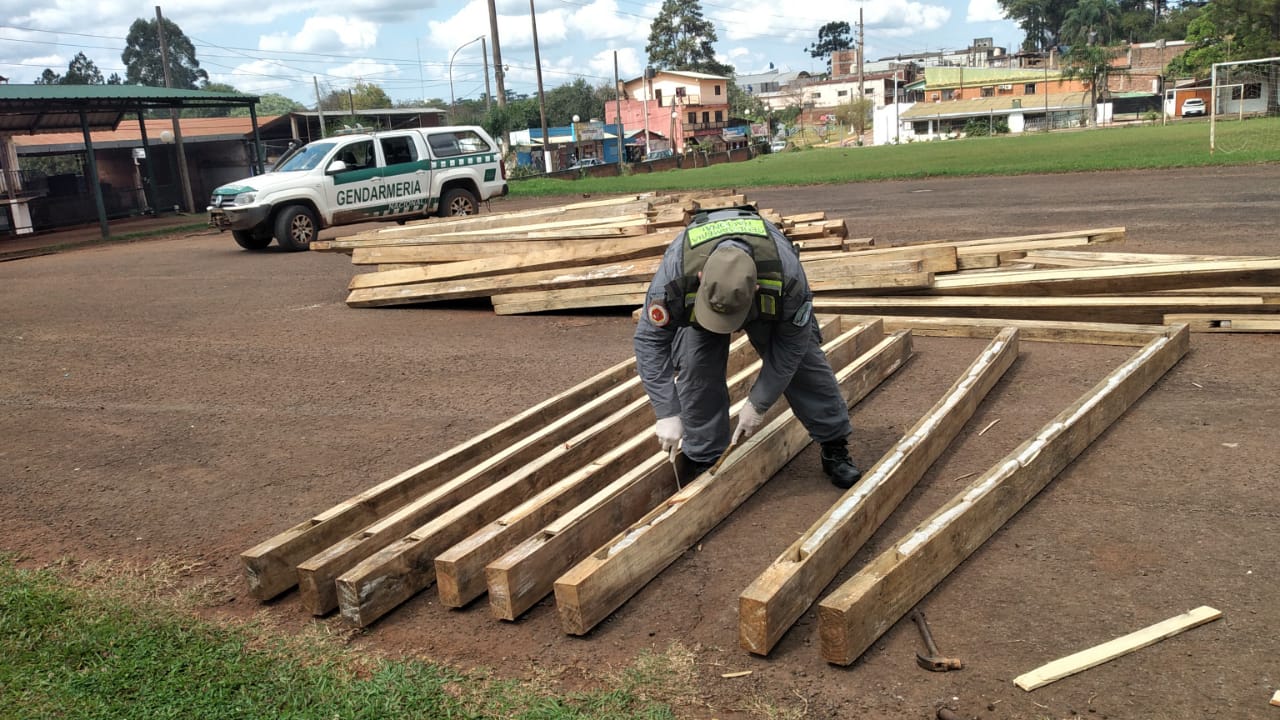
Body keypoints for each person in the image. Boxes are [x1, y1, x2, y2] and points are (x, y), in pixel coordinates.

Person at [633, 207, 862, 489]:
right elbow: (650, 342)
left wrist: (758, 403)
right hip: (701, 313)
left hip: (763, 305)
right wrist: (667, 411)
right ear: (701, 277)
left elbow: (791, 347)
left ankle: (834, 445)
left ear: (755, 288)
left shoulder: (787, 279)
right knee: (697, 367)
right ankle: (705, 458)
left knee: (805, 364)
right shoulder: (674, 277)